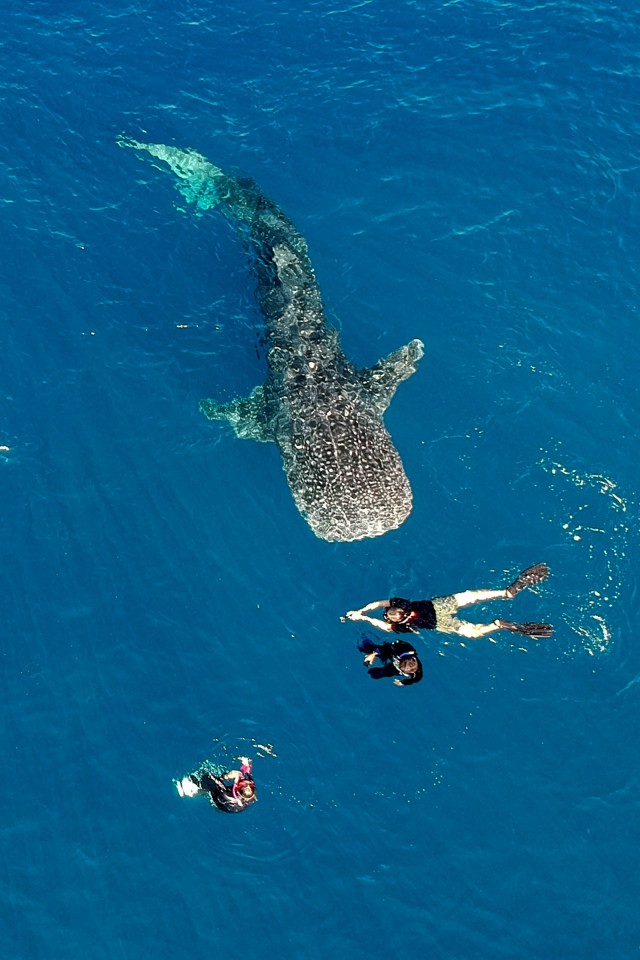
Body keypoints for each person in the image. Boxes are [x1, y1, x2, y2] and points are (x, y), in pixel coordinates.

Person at [343, 563, 552, 640]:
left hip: (438, 623)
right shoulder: (402, 603)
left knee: (473, 632)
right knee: (473, 596)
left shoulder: (402, 626)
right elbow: (379, 604)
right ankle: (506, 593)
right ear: (398, 608)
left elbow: (381, 622)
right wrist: (361, 610)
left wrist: (363, 618)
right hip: (439, 605)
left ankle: (497, 625)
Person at [176, 757, 257, 813]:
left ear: (236, 789)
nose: (242, 780)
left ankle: (189, 792)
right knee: (236, 774)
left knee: (209, 780)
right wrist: (245, 764)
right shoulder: (250, 792)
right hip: (236, 807)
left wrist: (222, 779)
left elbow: (208, 778)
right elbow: (247, 774)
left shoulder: (225, 794)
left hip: (222, 802)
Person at [358, 635, 423, 686]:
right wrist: (374, 654)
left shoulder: (417, 672)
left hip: (394, 666)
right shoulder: (401, 648)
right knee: (364, 648)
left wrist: (403, 682)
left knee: (376, 675)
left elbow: (416, 679)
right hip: (391, 652)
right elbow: (386, 647)